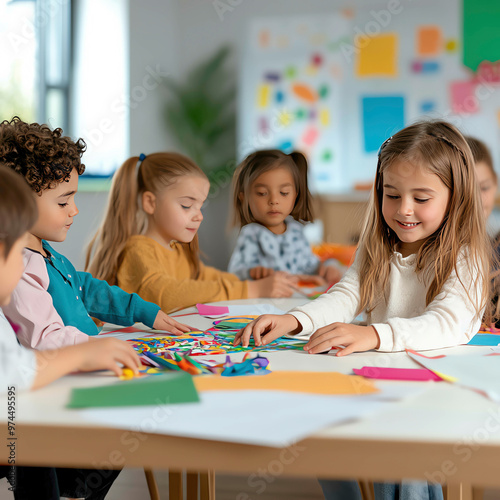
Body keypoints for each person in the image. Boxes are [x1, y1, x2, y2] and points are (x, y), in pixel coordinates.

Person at [235, 121, 493, 500]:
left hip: (434, 396)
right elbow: (346, 294)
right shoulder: (379, 247)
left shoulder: (466, 257)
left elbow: (447, 324)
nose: (404, 210)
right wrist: (296, 320)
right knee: (322, 434)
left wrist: (373, 334)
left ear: (457, 198)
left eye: (421, 199)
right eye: (392, 195)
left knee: (406, 467)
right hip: (382, 381)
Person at [0, 164, 142, 499]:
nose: (24, 264)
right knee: (33, 438)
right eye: (16, 253)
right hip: (15, 431)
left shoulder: (50, 261)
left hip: (16, 421)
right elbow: (13, 375)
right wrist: (85, 352)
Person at [0, 118, 190, 350]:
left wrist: (141, 310)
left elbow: (84, 288)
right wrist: (100, 348)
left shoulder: (44, 253)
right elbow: (46, 340)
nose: (75, 209)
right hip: (68, 372)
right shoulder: (19, 269)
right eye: (63, 202)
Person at [85, 152, 296, 313]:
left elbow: (206, 277)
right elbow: (166, 295)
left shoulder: (177, 249)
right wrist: (252, 290)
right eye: (187, 206)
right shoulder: (138, 250)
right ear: (150, 202)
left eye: (200, 206)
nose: (198, 216)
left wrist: (248, 279)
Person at [228, 149, 342, 284]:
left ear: (295, 195)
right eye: (262, 193)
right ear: (244, 197)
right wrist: (253, 272)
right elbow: (235, 275)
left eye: (284, 192)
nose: (274, 200)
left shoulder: (296, 230)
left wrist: (329, 266)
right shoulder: (251, 234)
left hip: (298, 301)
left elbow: (311, 265)